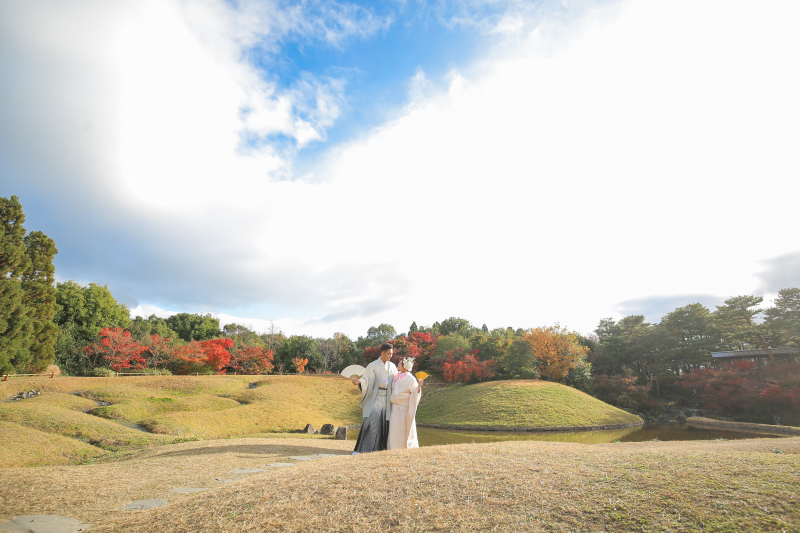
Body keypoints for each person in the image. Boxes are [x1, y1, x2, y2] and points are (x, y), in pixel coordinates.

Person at [351, 342, 398, 454]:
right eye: (388, 354)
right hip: (375, 397)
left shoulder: (393, 366)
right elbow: (365, 379)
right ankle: (362, 449)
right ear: (382, 353)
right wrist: (359, 381)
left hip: (387, 398)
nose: (390, 356)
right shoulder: (372, 365)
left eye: (391, 354)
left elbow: (397, 380)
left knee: (384, 422)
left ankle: (381, 448)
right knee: (370, 422)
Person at [387, 356, 422, 450]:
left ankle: (403, 446)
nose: (398, 364)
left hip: (404, 407)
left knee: (403, 428)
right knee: (394, 427)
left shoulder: (411, 379)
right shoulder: (395, 376)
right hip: (394, 405)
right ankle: (393, 446)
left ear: (405, 367)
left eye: (400, 363)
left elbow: (414, 392)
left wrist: (418, 387)